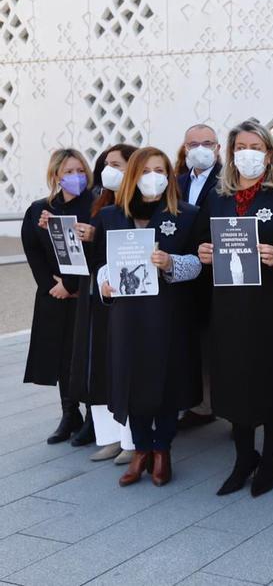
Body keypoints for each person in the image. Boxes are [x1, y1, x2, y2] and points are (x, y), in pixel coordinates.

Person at [196, 120, 273, 497]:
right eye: (240, 146)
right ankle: (243, 457)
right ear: (231, 153)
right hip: (230, 307)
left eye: (255, 146)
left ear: (269, 154)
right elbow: (202, 240)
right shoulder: (218, 198)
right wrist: (202, 252)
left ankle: (270, 457)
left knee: (270, 380)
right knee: (235, 381)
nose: (247, 153)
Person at [93, 147, 202, 487]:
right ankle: (140, 449)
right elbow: (99, 266)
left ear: (169, 176)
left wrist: (171, 264)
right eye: (145, 170)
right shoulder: (110, 216)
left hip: (166, 314)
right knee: (132, 381)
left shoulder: (186, 214)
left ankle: (163, 449)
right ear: (132, 176)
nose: (152, 177)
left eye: (160, 170)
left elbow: (198, 264)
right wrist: (105, 285)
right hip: (126, 316)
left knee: (164, 381)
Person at [66, 144, 138, 460]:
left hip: (131, 296)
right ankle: (108, 434)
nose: (109, 170)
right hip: (101, 292)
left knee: (125, 364)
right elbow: (96, 256)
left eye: (117, 164)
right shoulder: (102, 204)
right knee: (99, 364)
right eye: (106, 164)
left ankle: (131, 440)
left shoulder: (140, 205)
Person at [22, 149, 95, 444]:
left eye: (80, 170)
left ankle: (92, 416)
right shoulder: (41, 209)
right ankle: (69, 412)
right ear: (55, 175)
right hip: (54, 295)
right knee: (60, 354)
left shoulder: (96, 206)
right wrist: (51, 285)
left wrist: (72, 284)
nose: (75, 177)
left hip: (85, 294)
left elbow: (93, 250)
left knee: (84, 355)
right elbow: (32, 249)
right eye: (68, 172)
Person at [177, 124, 222, 431]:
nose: (200, 149)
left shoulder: (227, 182)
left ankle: (226, 407)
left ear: (218, 148)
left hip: (214, 275)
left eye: (207, 143)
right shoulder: (175, 182)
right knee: (190, 342)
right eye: (193, 144)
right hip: (181, 274)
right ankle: (199, 404)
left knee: (217, 344)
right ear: (185, 149)